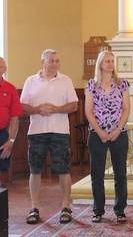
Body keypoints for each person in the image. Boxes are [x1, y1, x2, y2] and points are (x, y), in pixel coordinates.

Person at [20, 49, 78, 225]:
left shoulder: (65, 80)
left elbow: (74, 105)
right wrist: (38, 110)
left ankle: (66, 206)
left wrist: (56, 109)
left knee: (63, 170)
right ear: (42, 62)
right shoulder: (31, 81)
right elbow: (22, 106)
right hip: (37, 132)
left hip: (59, 131)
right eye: (51, 61)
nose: (54, 64)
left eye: (57, 61)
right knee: (35, 170)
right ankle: (34, 207)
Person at [85, 51, 130, 224]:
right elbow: (88, 110)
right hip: (97, 134)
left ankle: (120, 210)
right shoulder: (92, 85)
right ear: (100, 64)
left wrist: (118, 129)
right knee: (97, 174)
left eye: (112, 61)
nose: (110, 63)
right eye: (107, 61)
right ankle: (98, 210)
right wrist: (100, 131)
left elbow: (126, 108)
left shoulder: (122, 84)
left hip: (119, 133)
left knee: (120, 173)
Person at [0, 57, 23, 167]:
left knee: (1, 169)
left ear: (5, 69)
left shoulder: (10, 89)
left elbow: (15, 117)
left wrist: (11, 140)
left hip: (2, 134)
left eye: (0, 67)